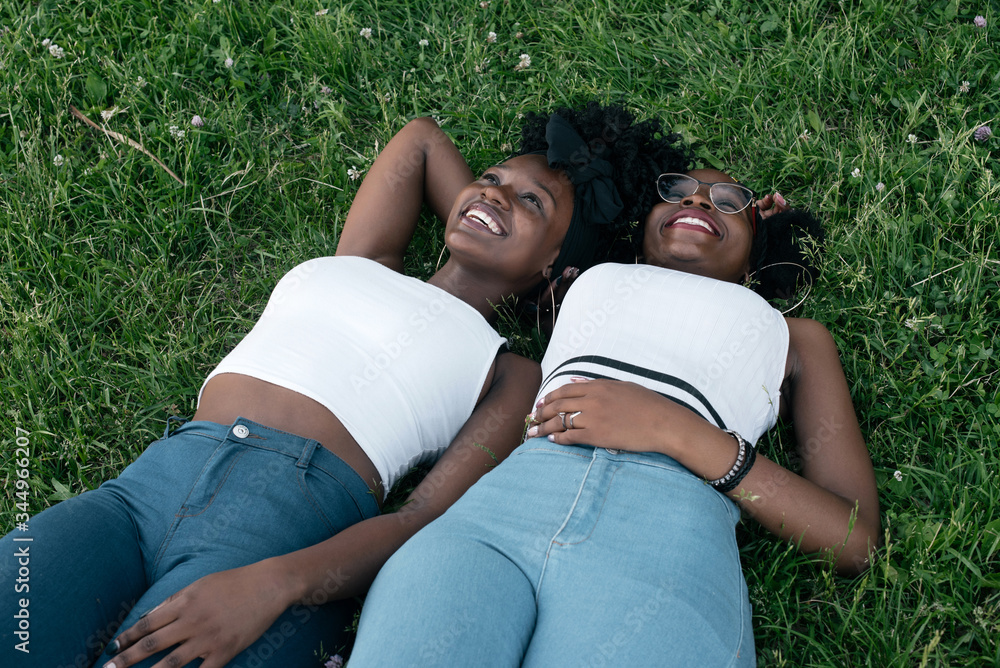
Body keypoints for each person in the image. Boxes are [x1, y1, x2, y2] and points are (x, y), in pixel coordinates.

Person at [0, 105, 689, 668]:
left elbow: (420, 522)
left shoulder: (511, 373)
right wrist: (502, 211)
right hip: (141, 494)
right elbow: (419, 140)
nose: (491, 191)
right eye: (489, 177)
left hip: (277, 533)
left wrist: (277, 584)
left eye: (529, 201)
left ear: (555, 266)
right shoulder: (361, 262)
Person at [348, 168, 881, 667]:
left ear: (752, 263)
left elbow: (853, 539)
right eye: (678, 191)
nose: (697, 199)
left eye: (728, 202)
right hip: (493, 520)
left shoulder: (791, 334)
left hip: (663, 548)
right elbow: (519, 224)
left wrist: (675, 429)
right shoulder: (585, 282)